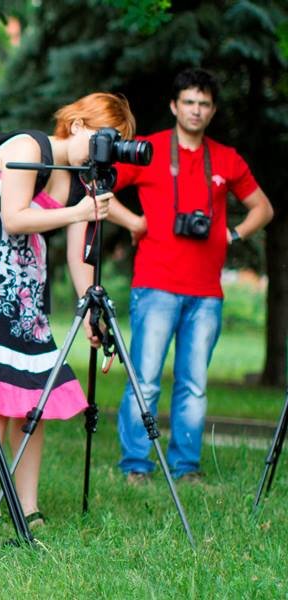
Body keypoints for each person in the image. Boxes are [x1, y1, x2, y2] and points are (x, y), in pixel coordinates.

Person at [0, 93, 137, 526]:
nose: (106, 151)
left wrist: (89, 310)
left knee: (33, 404)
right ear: (79, 125)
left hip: (27, 295)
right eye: (105, 138)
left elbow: (77, 254)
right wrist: (78, 211)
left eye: (116, 143)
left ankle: (28, 506)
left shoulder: (84, 178)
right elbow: (14, 218)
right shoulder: (30, 148)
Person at [111, 68, 273, 483]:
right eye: (189, 102)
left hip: (206, 292)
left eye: (203, 103)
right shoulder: (147, 149)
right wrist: (134, 221)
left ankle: (186, 467)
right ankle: (136, 465)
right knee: (144, 380)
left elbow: (263, 208)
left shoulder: (226, 158)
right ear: (174, 106)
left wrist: (231, 233)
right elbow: (98, 189)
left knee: (194, 385)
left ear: (213, 110)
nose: (196, 110)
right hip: (154, 285)